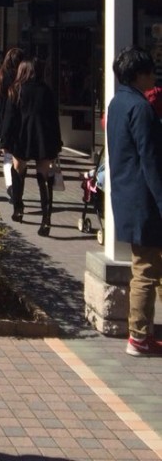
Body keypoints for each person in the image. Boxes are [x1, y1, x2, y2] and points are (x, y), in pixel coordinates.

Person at [106, 46, 162, 357]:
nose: (154, 77)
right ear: (139, 74)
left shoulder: (117, 103)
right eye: (151, 72)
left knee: (145, 265)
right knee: (146, 269)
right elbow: (151, 161)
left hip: (126, 195)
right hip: (145, 200)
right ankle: (139, 336)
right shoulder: (141, 108)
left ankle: (142, 334)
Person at [1, 57, 62, 234]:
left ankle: (18, 208)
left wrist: (5, 141)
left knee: (18, 168)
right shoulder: (47, 91)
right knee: (44, 175)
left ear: (22, 71)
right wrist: (57, 142)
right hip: (44, 137)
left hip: (22, 136)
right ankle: (46, 219)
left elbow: (9, 118)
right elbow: (54, 118)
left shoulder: (16, 90)